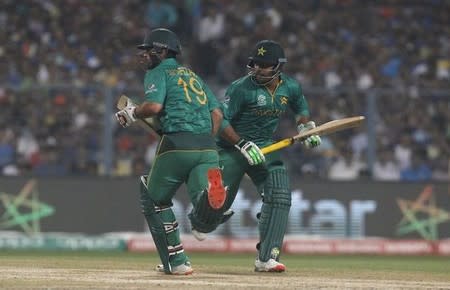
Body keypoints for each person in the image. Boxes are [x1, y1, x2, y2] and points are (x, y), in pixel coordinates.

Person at [190, 40, 321, 272]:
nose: (259, 69)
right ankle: (201, 217)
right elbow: (221, 120)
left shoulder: (290, 87)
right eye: (256, 64)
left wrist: (305, 128)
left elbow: (301, 110)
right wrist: (241, 143)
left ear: (278, 67)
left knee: (280, 194)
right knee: (207, 220)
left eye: (265, 65)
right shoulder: (241, 88)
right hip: (231, 147)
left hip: (264, 148)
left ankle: (267, 257)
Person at [115, 28, 227, 275]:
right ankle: (208, 210)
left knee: (153, 198)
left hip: (176, 144)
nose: (143, 56)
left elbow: (154, 106)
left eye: (147, 50)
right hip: (208, 147)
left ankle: (176, 262)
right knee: (201, 196)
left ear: (162, 51)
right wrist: (208, 139)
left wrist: (132, 113)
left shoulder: (159, 72)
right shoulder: (194, 75)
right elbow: (217, 113)